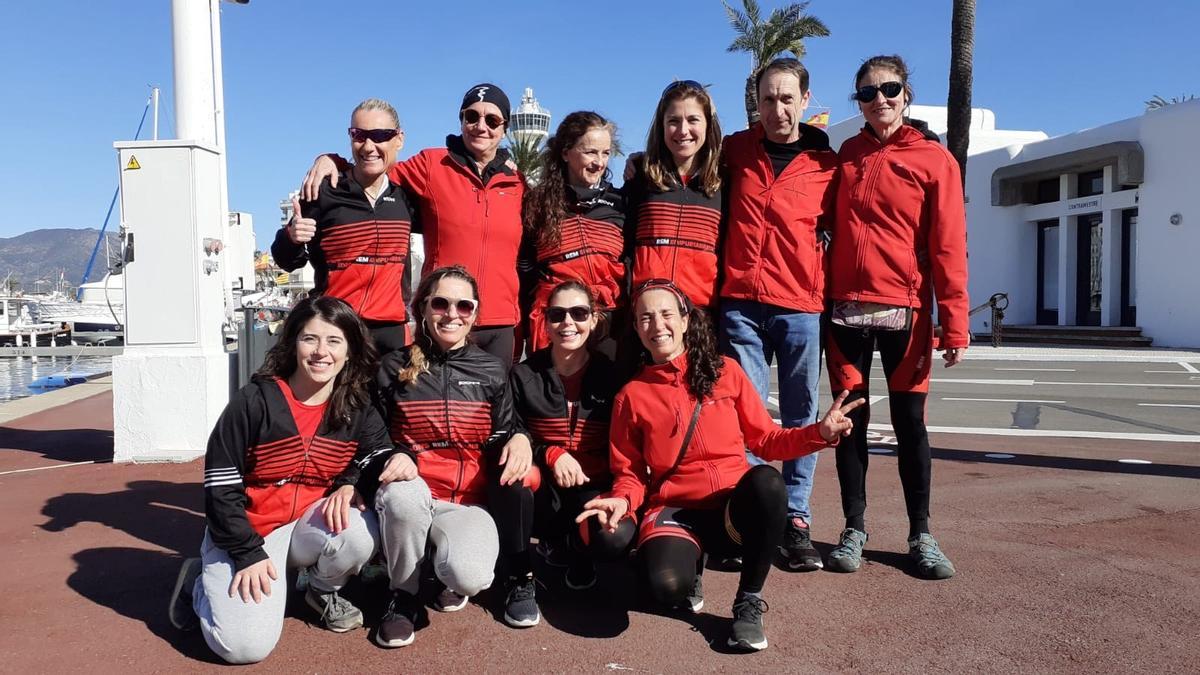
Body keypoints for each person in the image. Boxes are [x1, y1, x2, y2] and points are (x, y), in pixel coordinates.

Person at [578, 279, 862, 651]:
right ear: (635, 327)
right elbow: (630, 473)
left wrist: (819, 434)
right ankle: (689, 564)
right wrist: (622, 501)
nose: (656, 325)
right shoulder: (632, 396)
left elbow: (766, 440)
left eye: (665, 314)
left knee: (767, 483)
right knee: (665, 587)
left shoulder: (725, 371)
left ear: (684, 320)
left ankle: (747, 602)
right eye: (645, 317)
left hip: (730, 508)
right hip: (676, 509)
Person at [167, 296, 396, 664]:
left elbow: (379, 453)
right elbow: (219, 486)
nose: (322, 352)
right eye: (310, 339)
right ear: (293, 344)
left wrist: (351, 481)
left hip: (304, 527)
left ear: (350, 350)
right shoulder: (254, 401)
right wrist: (245, 553)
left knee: (360, 528)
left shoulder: (355, 406)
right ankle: (199, 584)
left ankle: (320, 591)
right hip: (247, 534)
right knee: (243, 648)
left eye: (334, 341)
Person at [824, 55, 969, 580]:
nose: (878, 99)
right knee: (850, 425)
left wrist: (953, 323)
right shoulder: (846, 155)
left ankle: (921, 534)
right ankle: (854, 528)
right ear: (857, 101)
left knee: (911, 426)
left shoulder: (934, 160)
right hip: (844, 314)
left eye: (888, 89)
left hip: (906, 315)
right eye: (866, 93)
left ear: (906, 94)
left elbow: (949, 246)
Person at [367, 265, 541, 648]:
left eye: (464, 306)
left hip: (466, 503)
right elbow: (370, 435)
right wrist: (394, 454)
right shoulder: (392, 367)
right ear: (423, 308)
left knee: (471, 576)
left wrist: (522, 439)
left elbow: (505, 431)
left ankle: (442, 564)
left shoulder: (493, 369)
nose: (452, 314)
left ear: (475, 315)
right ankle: (403, 596)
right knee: (403, 497)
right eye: (441, 303)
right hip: (414, 493)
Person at [718, 58, 839, 572]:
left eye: (787, 98)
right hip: (741, 302)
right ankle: (749, 515)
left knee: (799, 413)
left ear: (805, 100)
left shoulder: (827, 164)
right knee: (744, 416)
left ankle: (794, 518)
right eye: (768, 98)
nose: (777, 109)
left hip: (800, 307)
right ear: (756, 102)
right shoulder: (734, 151)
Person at [303, 84, 525, 363]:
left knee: (495, 405)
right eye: (471, 117)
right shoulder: (431, 164)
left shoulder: (518, 184)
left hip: (499, 323)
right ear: (461, 120)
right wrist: (330, 159)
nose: (481, 126)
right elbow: (374, 163)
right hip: (444, 317)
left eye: (492, 120)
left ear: (504, 128)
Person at [509, 280, 635, 590]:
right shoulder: (524, 375)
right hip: (545, 489)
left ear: (594, 320)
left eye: (579, 313)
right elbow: (510, 430)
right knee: (513, 476)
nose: (568, 322)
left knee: (614, 537)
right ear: (545, 321)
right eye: (557, 314)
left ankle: (579, 548)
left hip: (593, 486)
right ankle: (521, 572)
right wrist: (551, 453)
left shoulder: (613, 376)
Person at [273, 98, 416, 353]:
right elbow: (286, 261)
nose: (368, 146)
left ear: (399, 139)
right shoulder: (323, 191)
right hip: (335, 327)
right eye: (359, 135)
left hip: (391, 332)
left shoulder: (407, 197)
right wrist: (292, 237)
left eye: (380, 135)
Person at [520, 112, 626, 355]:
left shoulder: (621, 202)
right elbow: (525, 269)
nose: (599, 162)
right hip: (558, 324)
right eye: (590, 152)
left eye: (605, 153)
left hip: (608, 323)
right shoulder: (537, 204)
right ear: (566, 153)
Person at [623, 81, 724, 310]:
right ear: (661, 126)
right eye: (673, 121)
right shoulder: (641, 176)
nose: (683, 131)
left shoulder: (725, 180)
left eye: (693, 120)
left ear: (708, 125)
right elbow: (625, 246)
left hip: (701, 315)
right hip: (648, 314)